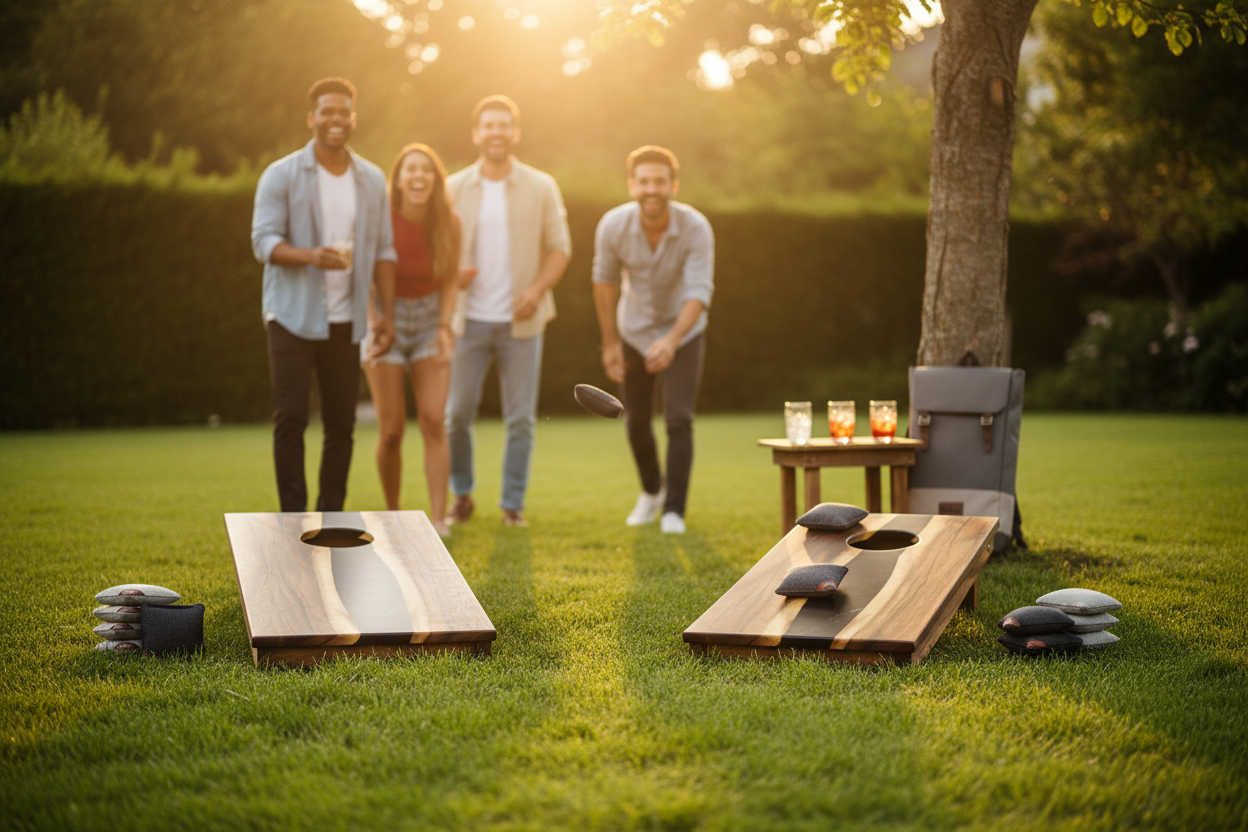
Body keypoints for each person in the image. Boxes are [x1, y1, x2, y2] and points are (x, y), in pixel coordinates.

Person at [251, 77, 396, 513]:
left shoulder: (371, 179)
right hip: (291, 316)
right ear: (311, 118)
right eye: (327, 111)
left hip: (346, 318)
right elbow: (263, 243)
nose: (336, 119)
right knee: (291, 418)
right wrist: (312, 255)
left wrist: (384, 313)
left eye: (344, 112)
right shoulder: (281, 174)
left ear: (353, 119)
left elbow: (385, 250)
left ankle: (331, 514)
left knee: (341, 425)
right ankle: (292, 519)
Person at [445, 95, 572, 527]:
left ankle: (512, 504)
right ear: (476, 133)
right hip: (468, 320)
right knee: (456, 414)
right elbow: (436, 248)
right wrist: (450, 273)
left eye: (504, 125)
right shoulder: (454, 187)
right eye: (488, 125)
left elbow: (560, 249)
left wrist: (536, 290)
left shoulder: (541, 186)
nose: (496, 132)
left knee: (520, 419)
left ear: (514, 133)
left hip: (522, 321)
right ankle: (461, 494)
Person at [591, 146, 714, 534]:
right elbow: (604, 280)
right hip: (633, 331)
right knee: (635, 420)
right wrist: (610, 343)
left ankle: (674, 510)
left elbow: (700, 291)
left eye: (659, 181)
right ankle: (651, 492)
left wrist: (672, 340)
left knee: (678, 418)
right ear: (632, 186)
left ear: (672, 185)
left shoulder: (696, 227)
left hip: (685, 330)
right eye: (643, 181)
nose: (651, 189)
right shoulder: (612, 225)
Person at [362, 144, 461, 536]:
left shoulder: (448, 221)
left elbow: (451, 277)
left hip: (428, 320)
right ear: (399, 179)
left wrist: (444, 325)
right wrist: (374, 322)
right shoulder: (379, 219)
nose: (419, 177)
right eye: (411, 170)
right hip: (383, 316)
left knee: (434, 420)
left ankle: (439, 519)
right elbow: (364, 276)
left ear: (435, 180)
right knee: (391, 429)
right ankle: (393, 514)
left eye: (427, 171)